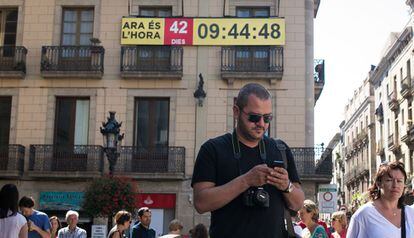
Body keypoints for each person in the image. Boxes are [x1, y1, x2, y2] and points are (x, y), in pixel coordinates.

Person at [191, 83, 305, 238]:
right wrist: (246, 181)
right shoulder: (212, 149)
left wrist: (286, 185)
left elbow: (298, 203)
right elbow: (200, 203)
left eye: (267, 118)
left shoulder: (280, 149)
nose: (261, 124)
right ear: (236, 111)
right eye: (254, 117)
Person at [347, 161, 414, 238]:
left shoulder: (411, 213)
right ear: (378, 183)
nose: (395, 185)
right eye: (389, 180)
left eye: (399, 181)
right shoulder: (364, 215)